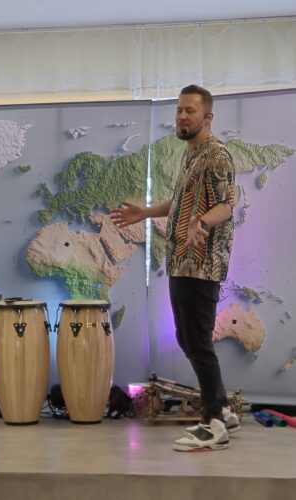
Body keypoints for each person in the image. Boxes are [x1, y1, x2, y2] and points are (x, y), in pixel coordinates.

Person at [110, 84, 239, 452]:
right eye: (180, 110)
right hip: (181, 260)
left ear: (208, 117)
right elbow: (181, 201)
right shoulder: (191, 153)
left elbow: (226, 204)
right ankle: (223, 408)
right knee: (188, 339)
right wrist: (144, 212)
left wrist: (202, 223)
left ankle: (213, 424)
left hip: (202, 263)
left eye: (190, 111)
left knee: (196, 341)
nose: (182, 116)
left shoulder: (217, 156)